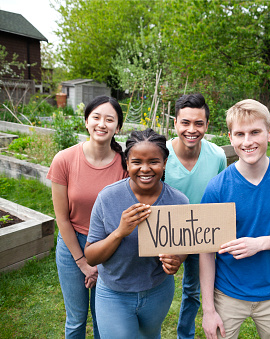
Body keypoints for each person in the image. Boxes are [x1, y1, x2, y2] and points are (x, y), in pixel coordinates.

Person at [199, 99, 270, 339]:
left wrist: (259, 243)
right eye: (239, 134)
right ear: (230, 137)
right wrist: (208, 310)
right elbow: (206, 252)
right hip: (227, 293)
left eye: (255, 132)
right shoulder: (217, 188)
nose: (247, 141)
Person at [85, 128, 189, 338]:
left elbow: (183, 246)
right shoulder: (108, 198)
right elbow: (91, 256)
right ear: (127, 162)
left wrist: (177, 259)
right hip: (114, 292)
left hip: (158, 291)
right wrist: (119, 232)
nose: (145, 169)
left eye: (153, 161)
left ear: (165, 162)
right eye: (137, 162)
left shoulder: (178, 202)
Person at [47, 95, 128, 338]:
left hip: (110, 246)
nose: (102, 124)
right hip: (72, 245)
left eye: (109, 119)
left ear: (118, 127)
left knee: (104, 319)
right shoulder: (64, 159)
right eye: (96, 117)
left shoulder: (125, 164)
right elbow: (62, 219)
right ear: (86, 121)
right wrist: (82, 262)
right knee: (76, 320)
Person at [164, 93, 227, 339]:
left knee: (192, 290)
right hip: (165, 232)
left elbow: (221, 196)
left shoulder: (217, 156)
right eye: (185, 123)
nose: (192, 130)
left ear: (207, 125)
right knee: (156, 286)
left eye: (198, 123)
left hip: (201, 235)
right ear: (175, 124)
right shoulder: (162, 153)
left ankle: (185, 334)